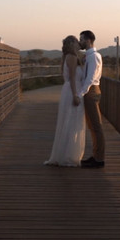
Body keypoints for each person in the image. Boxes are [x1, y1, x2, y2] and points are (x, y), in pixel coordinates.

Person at [44, 35, 86, 167]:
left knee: (69, 121)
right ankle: (69, 155)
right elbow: (73, 78)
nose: (79, 43)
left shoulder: (69, 57)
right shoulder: (72, 57)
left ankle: (65, 153)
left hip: (68, 90)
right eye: (76, 41)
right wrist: (75, 94)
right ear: (72, 44)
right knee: (72, 122)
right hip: (73, 90)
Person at [77, 30, 105, 168]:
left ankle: (99, 159)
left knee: (96, 126)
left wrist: (80, 94)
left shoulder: (93, 56)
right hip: (91, 91)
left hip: (91, 91)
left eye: (81, 39)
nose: (79, 42)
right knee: (92, 126)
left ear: (88, 40)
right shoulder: (89, 56)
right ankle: (96, 155)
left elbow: (90, 78)